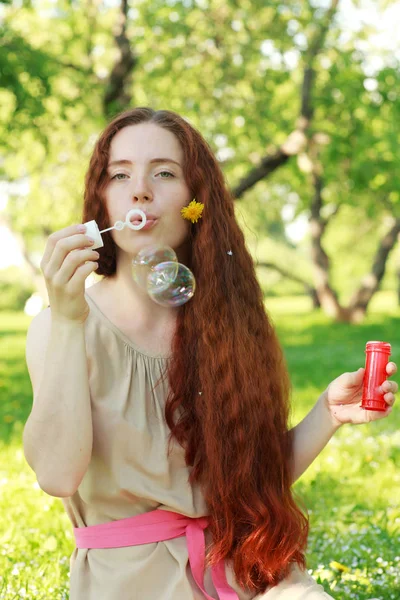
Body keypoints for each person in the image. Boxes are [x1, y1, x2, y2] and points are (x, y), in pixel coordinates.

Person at [22, 107, 398, 600]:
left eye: (164, 172)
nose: (140, 189)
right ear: (103, 202)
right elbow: (56, 474)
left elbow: (248, 479)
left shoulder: (224, 323)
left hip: (243, 570)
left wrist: (326, 413)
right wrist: (68, 318)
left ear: (195, 202)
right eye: (120, 174)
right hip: (131, 582)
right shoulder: (62, 325)